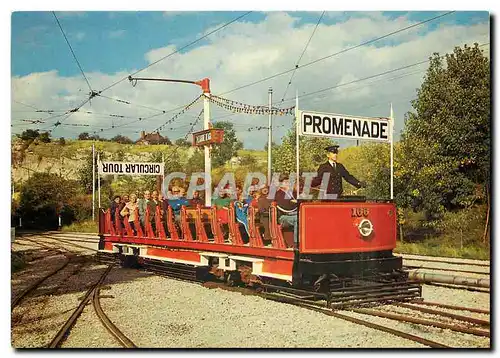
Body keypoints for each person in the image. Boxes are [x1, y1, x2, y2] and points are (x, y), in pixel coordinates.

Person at [275, 176, 298, 246]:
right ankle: (296, 243)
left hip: (292, 214)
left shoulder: (292, 193)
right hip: (282, 217)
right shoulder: (278, 194)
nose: (288, 184)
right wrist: (294, 202)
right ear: (280, 184)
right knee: (297, 219)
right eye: (286, 182)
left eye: (288, 182)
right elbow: (285, 207)